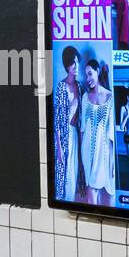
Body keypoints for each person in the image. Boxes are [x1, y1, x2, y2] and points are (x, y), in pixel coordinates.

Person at [78, 59, 115, 205]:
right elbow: (82, 131)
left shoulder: (110, 97)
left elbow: (111, 134)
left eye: (90, 74)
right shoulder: (85, 98)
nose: (87, 79)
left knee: (108, 196)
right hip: (87, 152)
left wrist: (112, 161)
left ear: (97, 71)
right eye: (85, 75)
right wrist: (81, 161)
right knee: (90, 193)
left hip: (104, 152)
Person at [52, 45, 82, 202]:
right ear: (67, 65)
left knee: (74, 170)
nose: (76, 66)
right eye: (73, 63)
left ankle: (70, 200)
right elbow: (57, 119)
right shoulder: (61, 87)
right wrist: (58, 147)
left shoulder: (80, 86)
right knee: (64, 171)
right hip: (64, 135)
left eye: (77, 62)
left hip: (75, 132)